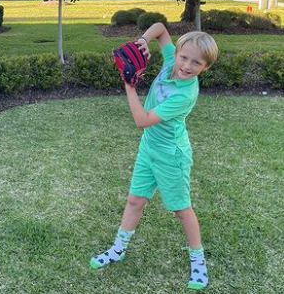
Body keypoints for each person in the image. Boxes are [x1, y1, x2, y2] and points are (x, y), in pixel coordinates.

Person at [89, 22, 218, 291]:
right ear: (178, 52)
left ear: (205, 67)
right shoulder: (172, 58)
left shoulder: (186, 93)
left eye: (196, 63)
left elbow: (142, 119)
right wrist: (144, 41)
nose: (186, 65)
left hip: (172, 155)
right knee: (135, 199)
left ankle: (198, 260)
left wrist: (129, 84)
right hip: (149, 148)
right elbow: (160, 27)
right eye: (184, 57)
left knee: (181, 209)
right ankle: (118, 248)